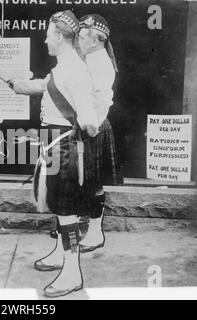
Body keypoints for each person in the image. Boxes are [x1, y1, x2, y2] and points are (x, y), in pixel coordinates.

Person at [9, 10, 99, 298]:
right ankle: (61, 255)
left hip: (65, 146)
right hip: (55, 145)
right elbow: (47, 86)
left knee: (66, 212)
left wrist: (81, 135)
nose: (44, 39)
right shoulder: (63, 68)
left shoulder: (75, 69)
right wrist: (19, 85)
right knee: (61, 208)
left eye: (48, 34)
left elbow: (88, 119)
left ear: (59, 37)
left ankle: (72, 273)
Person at [77, 14, 123, 253]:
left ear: (96, 40)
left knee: (94, 182)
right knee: (80, 179)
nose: (79, 40)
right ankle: (75, 225)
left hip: (92, 127)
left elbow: (101, 101)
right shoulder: (90, 59)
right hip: (86, 125)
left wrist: (88, 128)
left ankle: (95, 234)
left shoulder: (99, 63)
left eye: (83, 37)